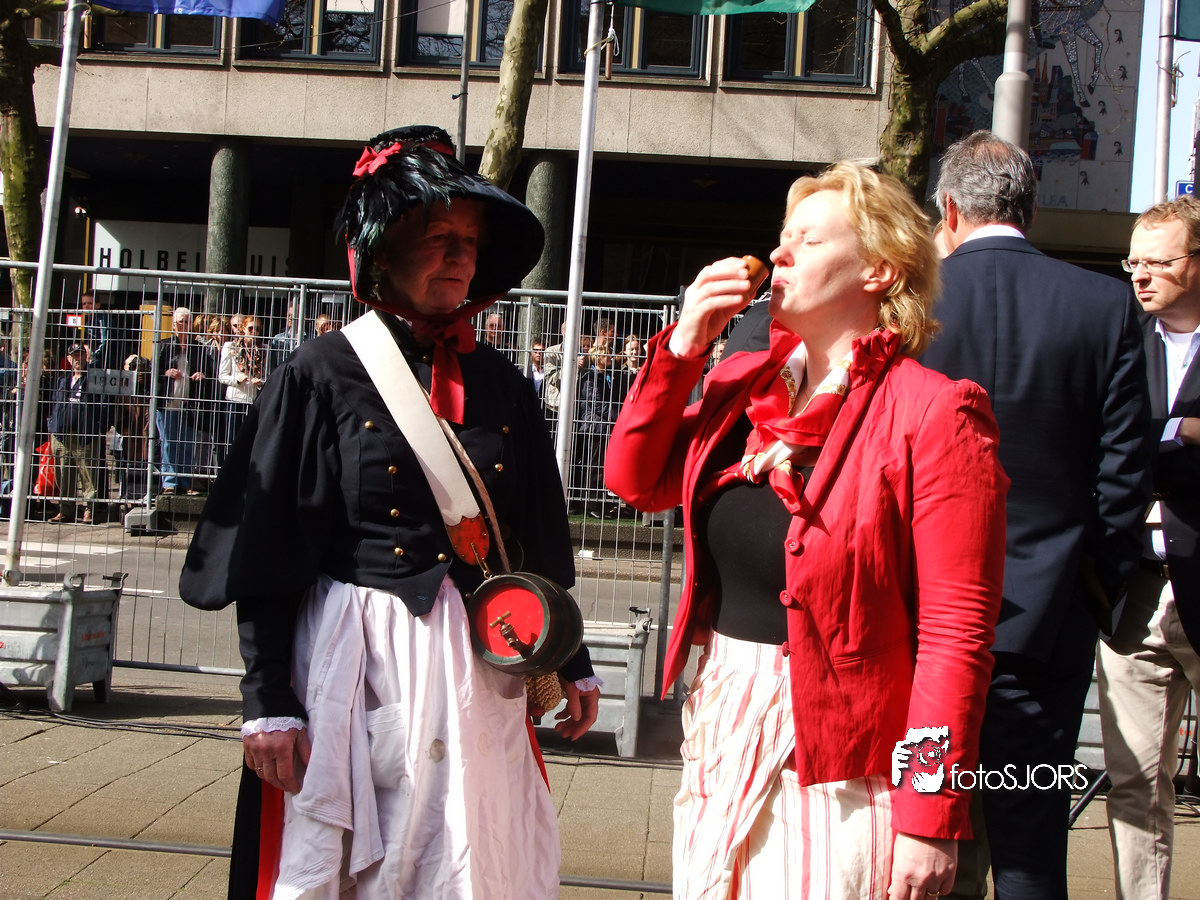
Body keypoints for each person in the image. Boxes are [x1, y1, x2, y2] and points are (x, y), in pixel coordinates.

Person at [178, 125, 600, 900]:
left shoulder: (505, 384)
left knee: (473, 861)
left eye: (469, 240)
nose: (459, 255)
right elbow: (267, 551)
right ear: (382, 253)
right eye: (437, 237)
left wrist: (570, 659)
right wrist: (267, 699)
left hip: (478, 670)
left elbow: (533, 537)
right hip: (356, 660)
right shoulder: (319, 374)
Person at [606, 161, 1008, 899]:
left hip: (846, 767)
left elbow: (956, 634)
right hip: (724, 728)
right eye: (782, 237)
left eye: (809, 240)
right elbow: (634, 479)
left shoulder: (936, 412)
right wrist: (685, 348)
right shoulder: (741, 386)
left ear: (880, 271)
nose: (778, 253)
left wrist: (929, 813)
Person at [920, 130, 1151, 900]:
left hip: (924, 617)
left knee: (922, 824)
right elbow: (1123, 474)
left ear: (950, 210)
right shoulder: (1106, 305)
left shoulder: (910, 302)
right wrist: (1095, 586)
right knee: (1030, 838)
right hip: (1049, 618)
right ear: (1032, 209)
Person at [1095, 195, 1200, 900]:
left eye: (1159, 262)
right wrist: (1180, 432)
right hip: (1134, 589)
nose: (1140, 275)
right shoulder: (1117, 339)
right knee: (1135, 782)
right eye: (1133, 261)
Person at [155, 306, 215, 497]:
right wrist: (166, 372)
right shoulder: (163, 346)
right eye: (180, 321)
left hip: (190, 404)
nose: (184, 325)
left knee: (188, 444)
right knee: (169, 443)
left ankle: (185, 482)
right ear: (174, 325)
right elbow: (153, 371)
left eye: (187, 321)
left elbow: (209, 371)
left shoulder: (198, 348)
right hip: (168, 402)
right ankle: (170, 482)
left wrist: (202, 375)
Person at [47, 343, 109, 524]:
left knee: (88, 475)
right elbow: (53, 402)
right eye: (74, 356)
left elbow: (105, 403)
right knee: (63, 474)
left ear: (86, 357)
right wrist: (52, 424)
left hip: (84, 435)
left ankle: (89, 510)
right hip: (61, 435)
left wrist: (100, 426)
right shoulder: (62, 379)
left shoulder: (94, 378)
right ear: (68, 359)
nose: (78, 359)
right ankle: (65, 510)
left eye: (81, 355)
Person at [217, 313, 266, 444]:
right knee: (233, 441)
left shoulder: (263, 349)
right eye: (250, 328)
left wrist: (260, 382)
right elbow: (222, 376)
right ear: (243, 328)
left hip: (254, 401)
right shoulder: (230, 347)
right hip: (235, 400)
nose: (254, 331)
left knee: (251, 442)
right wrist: (236, 379)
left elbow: (268, 376)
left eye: (258, 329)